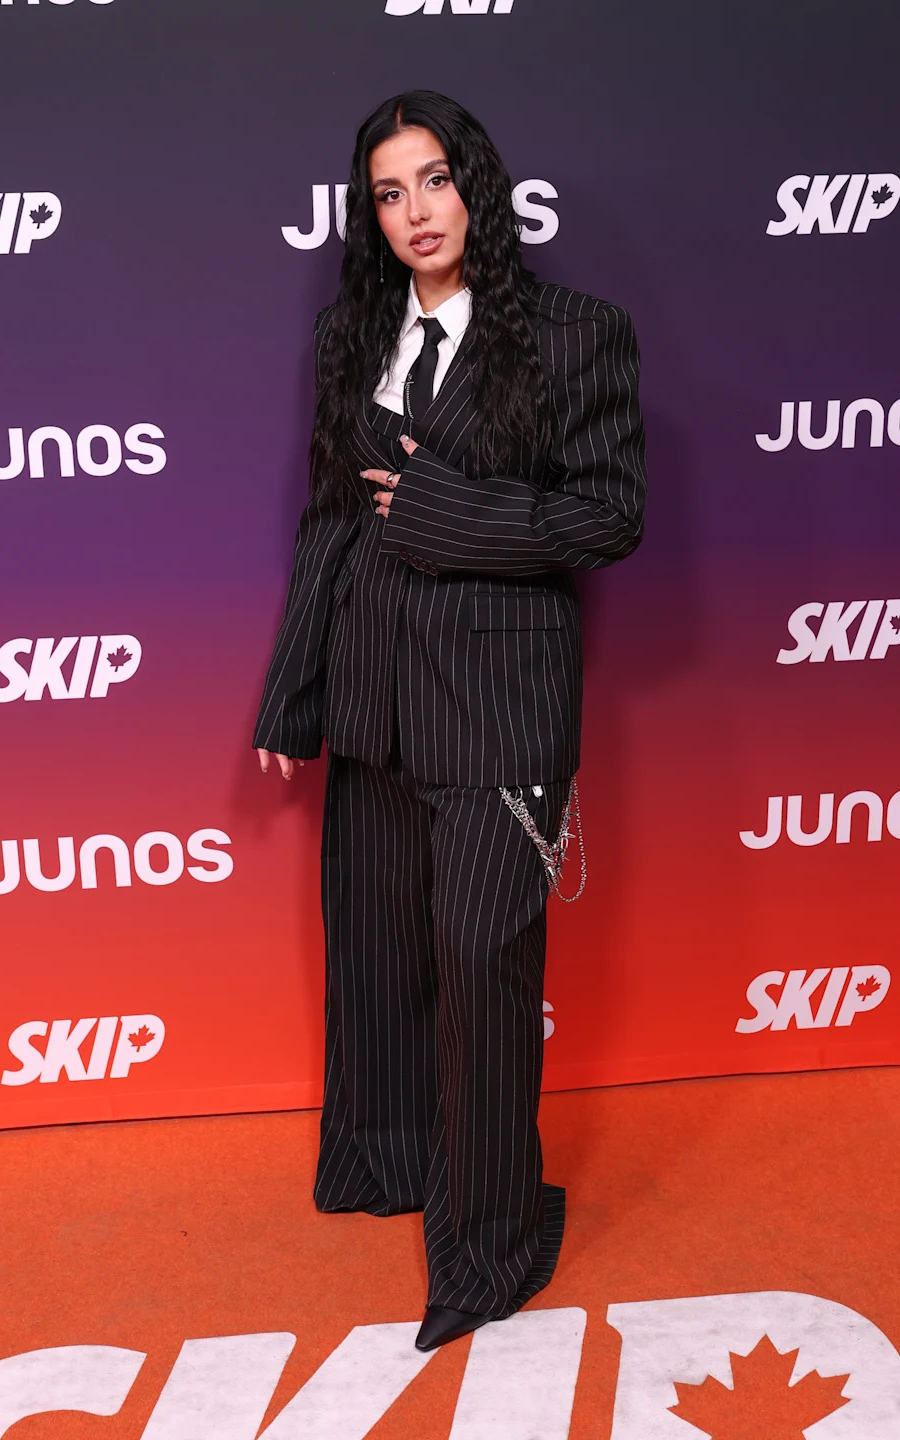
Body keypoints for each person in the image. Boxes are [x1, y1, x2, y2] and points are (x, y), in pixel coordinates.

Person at [253, 89, 646, 1351]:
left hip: (499, 706)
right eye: (388, 193)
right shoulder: (348, 337)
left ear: (477, 185)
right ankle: (387, 1161)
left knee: (482, 971)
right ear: (370, 216)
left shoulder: (575, 335)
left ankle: (486, 1245)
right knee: (373, 954)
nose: (416, 212)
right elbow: (329, 518)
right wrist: (294, 687)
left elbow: (606, 518)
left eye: (435, 180)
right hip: (373, 692)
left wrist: (441, 512)